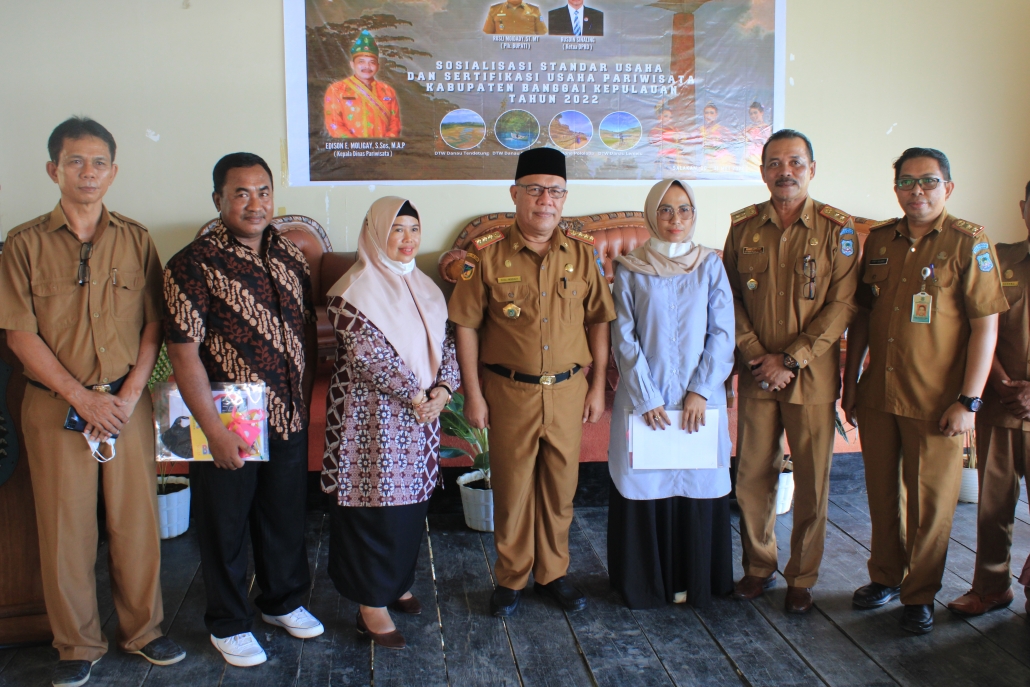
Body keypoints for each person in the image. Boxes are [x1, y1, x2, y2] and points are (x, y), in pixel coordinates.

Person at [0, 117, 185, 687]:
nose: (88, 172)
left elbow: (154, 324)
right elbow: (19, 335)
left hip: (125, 406)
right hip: (55, 407)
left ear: (113, 171)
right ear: (53, 169)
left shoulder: (135, 238)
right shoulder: (23, 243)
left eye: (98, 162)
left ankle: (144, 630)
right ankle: (76, 643)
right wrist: (81, 397)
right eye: (75, 161)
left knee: (135, 522)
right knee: (65, 530)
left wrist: (128, 396)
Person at [164, 153, 322, 667]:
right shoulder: (192, 263)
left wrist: (302, 401)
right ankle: (228, 623)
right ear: (218, 199)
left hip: (287, 413)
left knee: (284, 516)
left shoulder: (291, 256)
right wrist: (213, 429)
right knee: (225, 525)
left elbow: (304, 333)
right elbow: (183, 354)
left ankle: (282, 602)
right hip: (229, 418)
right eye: (241, 193)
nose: (255, 204)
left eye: (263, 191)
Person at [843, 147, 1005, 634]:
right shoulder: (880, 240)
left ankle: (920, 594)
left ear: (947, 188)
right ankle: (885, 577)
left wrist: (969, 400)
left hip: (937, 401)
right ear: (896, 188)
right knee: (881, 495)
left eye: (928, 181)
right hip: (879, 393)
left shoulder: (968, 242)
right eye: (907, 182)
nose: (917, 191)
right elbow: (863, 317)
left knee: (930, 506)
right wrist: (850, 383)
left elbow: (986, 327)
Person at [449, 147, 616, 616]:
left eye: (556, 192)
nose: (546, 200)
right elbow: (466, 326)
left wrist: (597, 386)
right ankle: (510, 578)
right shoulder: (485, 255)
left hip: (568, 390)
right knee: (513, 489)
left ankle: (553, 575)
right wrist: (473, 395)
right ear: (515, 194)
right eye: (536, 190)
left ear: (564, 198)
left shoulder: (582, 254)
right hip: (509, 391)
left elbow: (599, 321)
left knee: (560, 490)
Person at [723, 129, 859, 615]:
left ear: (812, 169)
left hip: (811, 377)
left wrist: (791, 358)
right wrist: (757, 354)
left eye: (796, 162)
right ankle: (758, 567)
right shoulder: (743, 228)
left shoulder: (837, 229)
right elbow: (728, 297)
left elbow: (842, 305)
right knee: (752, 476)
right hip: (757, 374)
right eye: (776, 163)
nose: (786, 172)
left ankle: (802, 576)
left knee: (813, 482)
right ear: (763, 172)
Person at [320, 197, 460, 649]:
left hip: (421, 418)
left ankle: (396, 582)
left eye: (414, 229)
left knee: (409, 507)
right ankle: (370, 604)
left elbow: (448, 343)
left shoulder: (428, 287)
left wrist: (444, 389)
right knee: (372, 509)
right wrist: (418, 395)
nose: (407, 239)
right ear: (377, 232)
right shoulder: (350, 291)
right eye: (397, 229)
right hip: (369, 421)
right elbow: (369, 357)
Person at [607, 179, 735, 609]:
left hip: (701, 402)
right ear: (651, 214)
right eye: (665, 209)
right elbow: (624, 338)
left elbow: (723, 333)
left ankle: (696, 583)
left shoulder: (710, 265)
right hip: (646, 401)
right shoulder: (631, 268)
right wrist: (647, 396)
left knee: (697, 485)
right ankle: (649, 586)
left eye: (684, 209)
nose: (675, 218)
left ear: (694, 214)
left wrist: (701, 389)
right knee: (646, 485)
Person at [947, 181, 1030, 617]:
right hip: (1000, 405)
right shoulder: (998, 258)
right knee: (993, 507)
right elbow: (978, 325)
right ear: (1023, 208)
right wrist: (997, 381)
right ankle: (991, 587)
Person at [324, 30, 401, 139]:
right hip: (351, 148)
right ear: (352, 64)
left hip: (382, 148)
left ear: (378, 66)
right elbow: (334, 124)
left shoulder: (388, 91)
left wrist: (383, 145)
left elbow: (395, 124)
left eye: (372, 62)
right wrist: (358, 146)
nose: (367, 66)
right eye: (361, 61)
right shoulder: (336, 89)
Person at [699, 103, 737, 173]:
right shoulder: (700, 130)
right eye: (706, 113)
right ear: (703, 115)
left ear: (716, 115)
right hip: (707, 160)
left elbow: (733, 141)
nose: (709, 115)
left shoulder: (722, 129)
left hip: (721, 160)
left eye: (711, 113)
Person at [483, 0, 548, 34]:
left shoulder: (534, 10)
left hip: (527, 51)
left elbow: (542, 33)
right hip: (502, 51)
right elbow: (487, 34)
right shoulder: (495, 9)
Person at [744, 101, 772, 171]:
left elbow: (765, 142)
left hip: (759, 156)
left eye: (755, 112)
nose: (753, 116)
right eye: (751, 114)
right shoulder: (748, 128)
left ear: (761, 112)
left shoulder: (766, 128)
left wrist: (750, 138)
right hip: (748, 157)